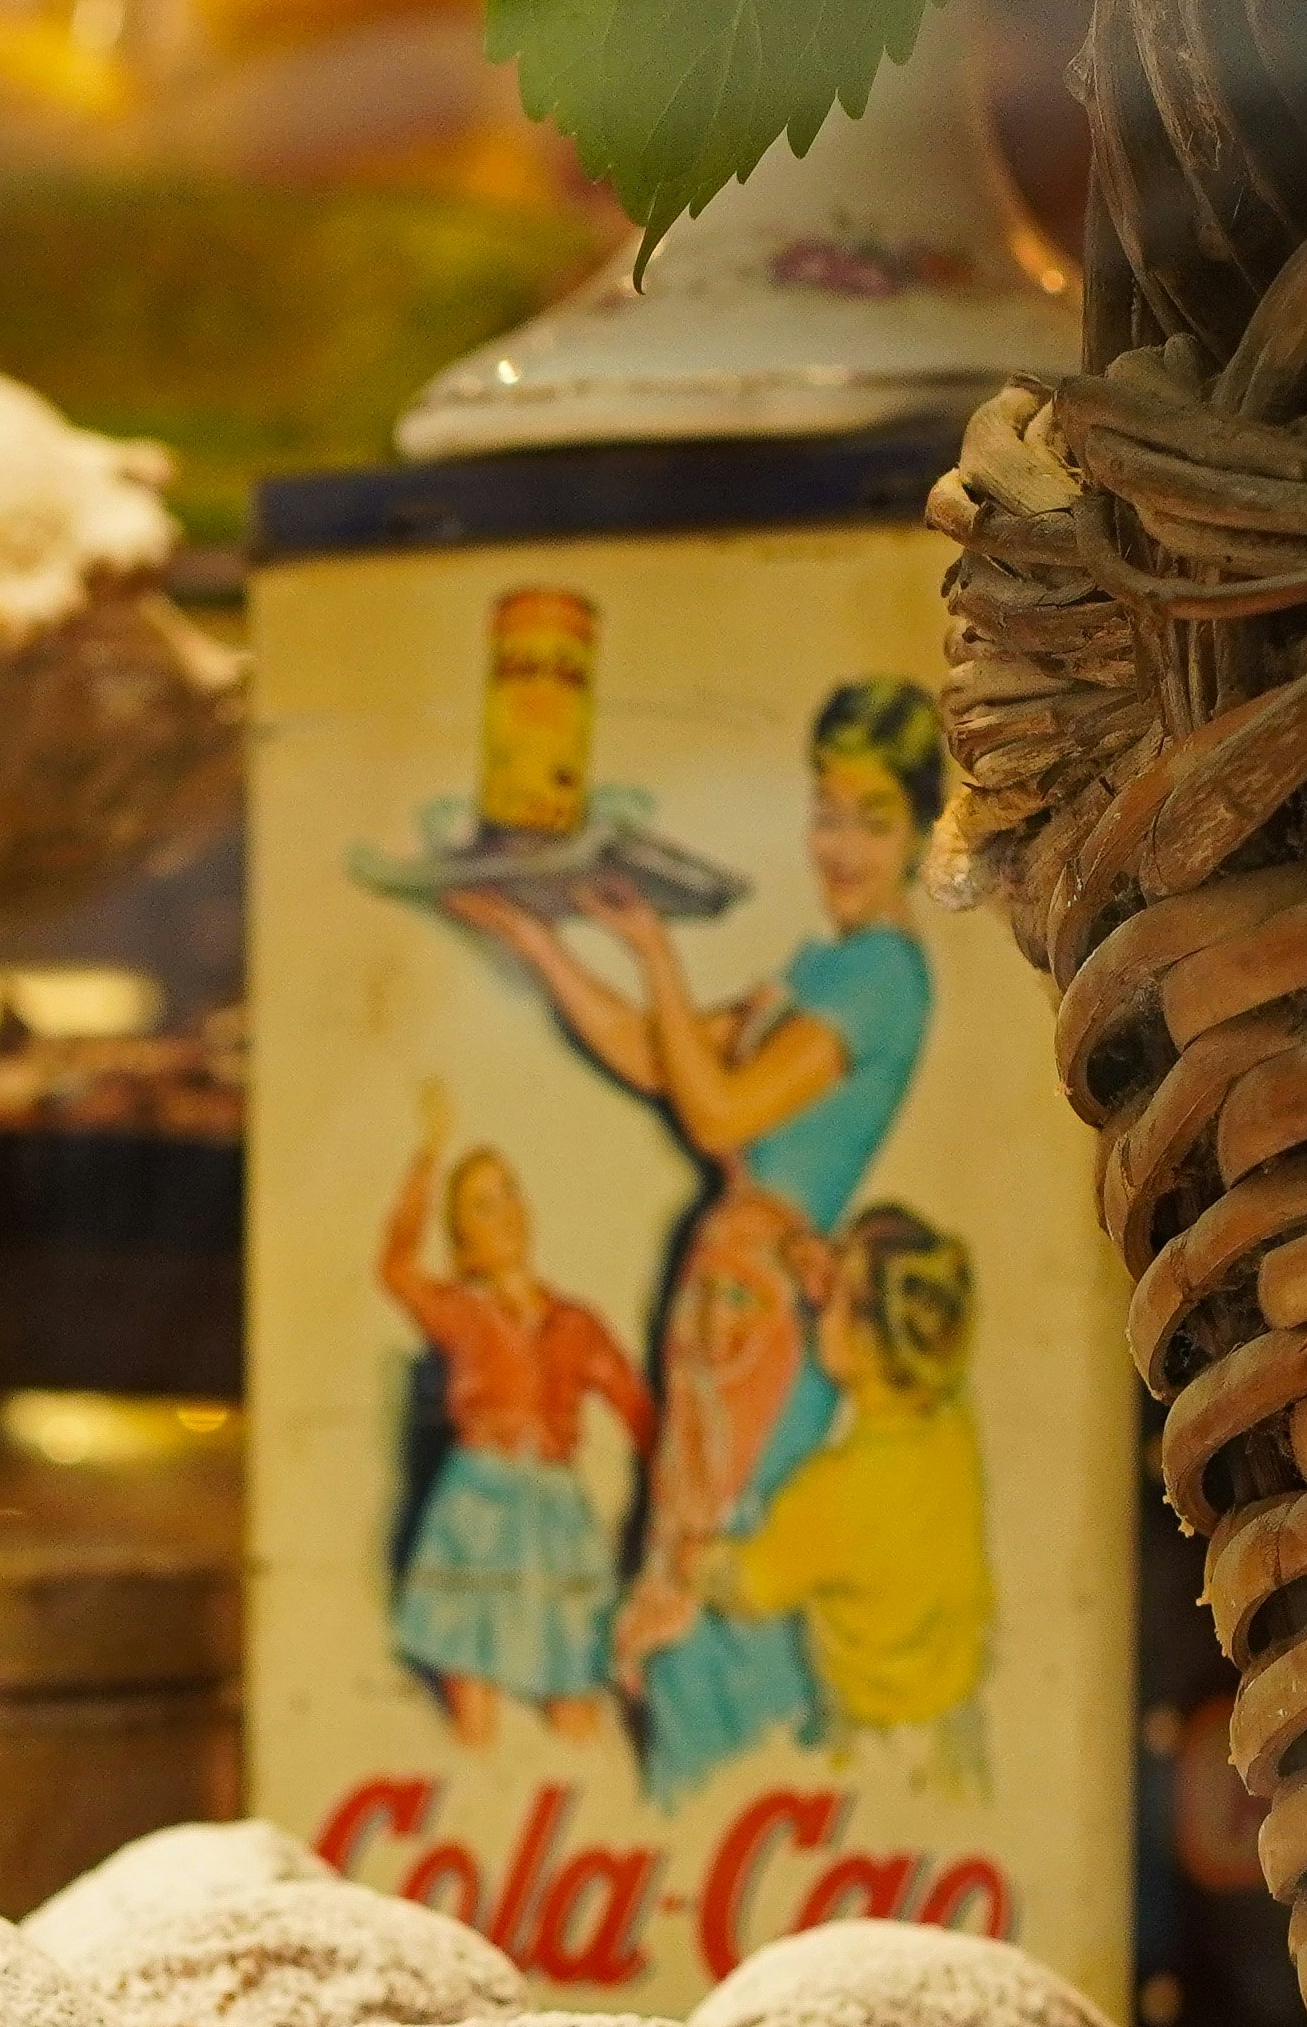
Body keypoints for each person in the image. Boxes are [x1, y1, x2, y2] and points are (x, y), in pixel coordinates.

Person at [443, 679, 954, 1804]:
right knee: (684, 1573)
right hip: (733, 1305)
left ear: (921, 829)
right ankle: (695, 1803)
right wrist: (546, 945)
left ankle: (717, 1803)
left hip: (771, 1318)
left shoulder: (883, 975)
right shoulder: (824, 965)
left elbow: (718, 1112)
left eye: (872, 819)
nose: (841, 845)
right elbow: (655, 1055)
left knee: (711, 1598)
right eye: (829, 811)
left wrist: (659, 955)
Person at [377, 1080, 648, 1744]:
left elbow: (643, 1415)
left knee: (574, 1695)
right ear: (464, 1239)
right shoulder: (462, 1315)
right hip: (479, 1502)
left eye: (510, 1194)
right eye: (482, 1204)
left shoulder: (577, 1324)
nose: (505, 1213)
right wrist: (428, 1157)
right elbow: (395, 1267)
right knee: (472, 1695)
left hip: (556, 1514)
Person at [701, 1209, 992, 1784]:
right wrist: (836, 1276)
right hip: (956, 1720)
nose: (818, 1308)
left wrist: (694, 1560)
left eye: (832, 1298)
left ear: (860, 1336)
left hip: (879, 1741)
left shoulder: (829, 1493)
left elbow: (746, 1585)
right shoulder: (951, 1415)